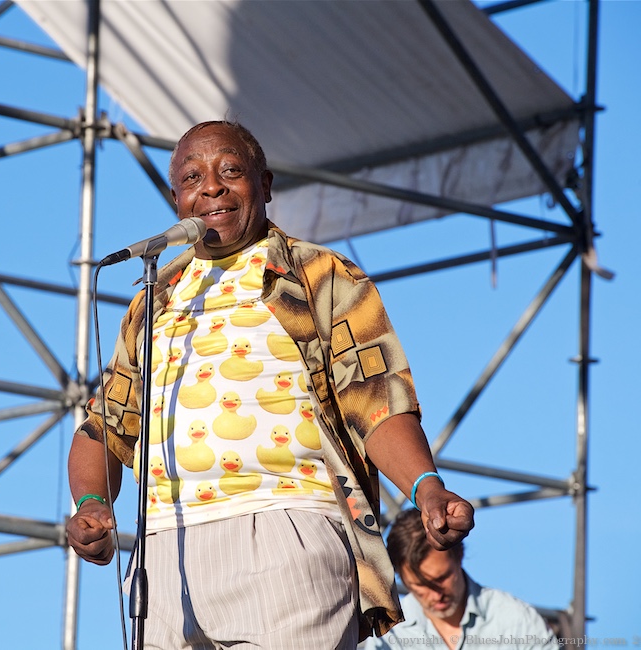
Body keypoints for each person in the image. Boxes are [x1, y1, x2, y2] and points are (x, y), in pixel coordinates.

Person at [65, 120, 475, 649]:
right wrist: (93, 502)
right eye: (193, 177)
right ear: (176, 199)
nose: (211, 186)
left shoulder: (321, 275)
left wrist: (426, 486)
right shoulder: (154, 299)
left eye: (230, 171)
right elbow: (105, 427)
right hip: (166, 548)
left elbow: (376, 398)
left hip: (287, 530)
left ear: (265, 184)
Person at [360, 509, 559, 650]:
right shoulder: (391, 637)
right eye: (421, 585)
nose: (436, 594)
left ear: (460, 557)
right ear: (401, 577)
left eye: (443, 578)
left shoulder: (516, 621)